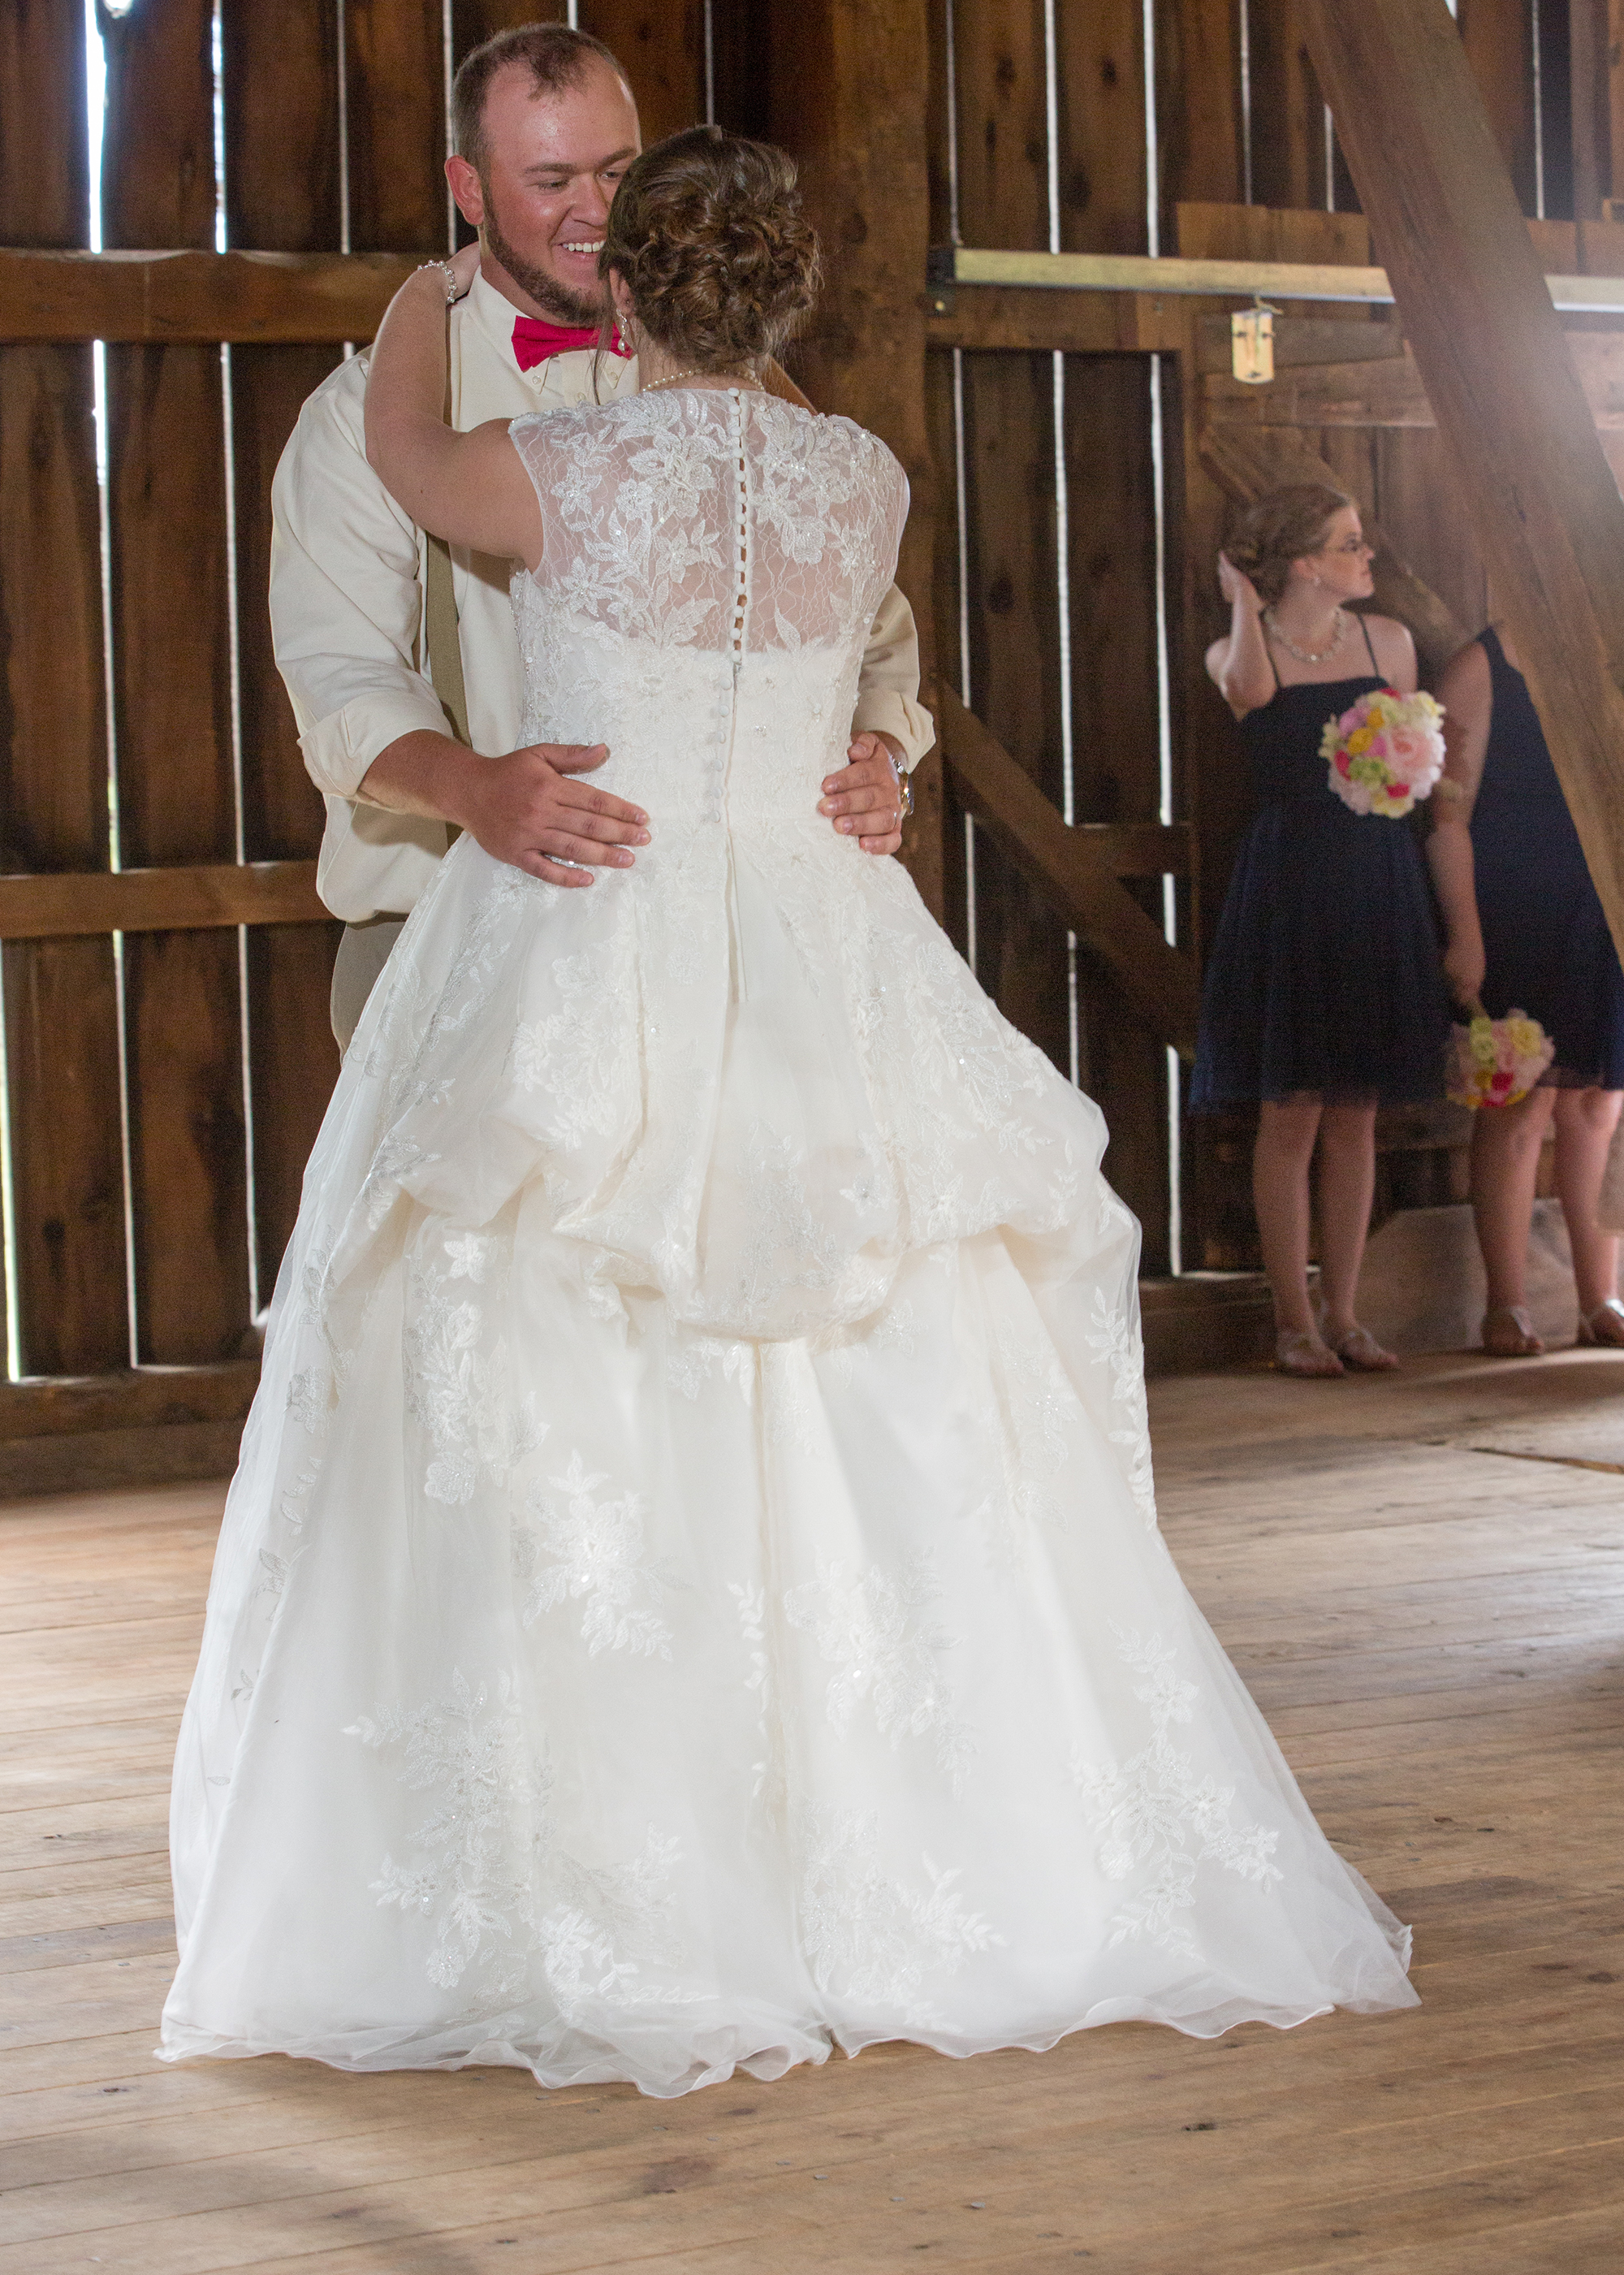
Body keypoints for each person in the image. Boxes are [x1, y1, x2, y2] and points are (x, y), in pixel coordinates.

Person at [161, 132, 1415, 2096]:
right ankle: (913, 1846)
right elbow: (834, 635)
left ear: (623, 288)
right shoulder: (862, 477)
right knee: (875, 1364)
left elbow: (404, 453)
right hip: (820, 936)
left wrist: (424, 288)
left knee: (566, 1352)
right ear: (791, 294)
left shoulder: (555, 469)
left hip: (599, 924)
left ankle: (627, 1861)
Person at [270, 23, 931, 1048]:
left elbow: (865, 625)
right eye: (551, 181)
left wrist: (881, 754)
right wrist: (474, 790)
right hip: (448, 930)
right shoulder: (361, 415)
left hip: (731, 957)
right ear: (469, 188)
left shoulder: (748, 400)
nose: (597, 210)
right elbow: (340, 681)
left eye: (617, 171)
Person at [1191, 487, 1449, 1378]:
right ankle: (1291, 1323)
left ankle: (1345, 1314)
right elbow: (1248, 691)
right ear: (1304, 562)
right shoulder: (1239, 652)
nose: (1366, 555)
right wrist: (1241, 595)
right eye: (1348, 543)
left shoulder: (1389, 643)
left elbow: (1415, 758)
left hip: (1377, 879)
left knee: (1355, 1114)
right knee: (1290, 1112)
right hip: (1291, 887)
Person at [1428, 624, 1624, 1355]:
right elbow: (1448, 815)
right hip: (1517, 907)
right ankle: (1506, 1305)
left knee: (1599, 1101)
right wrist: (1465, 932)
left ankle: (1599, 1298)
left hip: (1605, 902)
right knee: (1519, 1102)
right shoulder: (1480, 669)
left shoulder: (1605, 644)